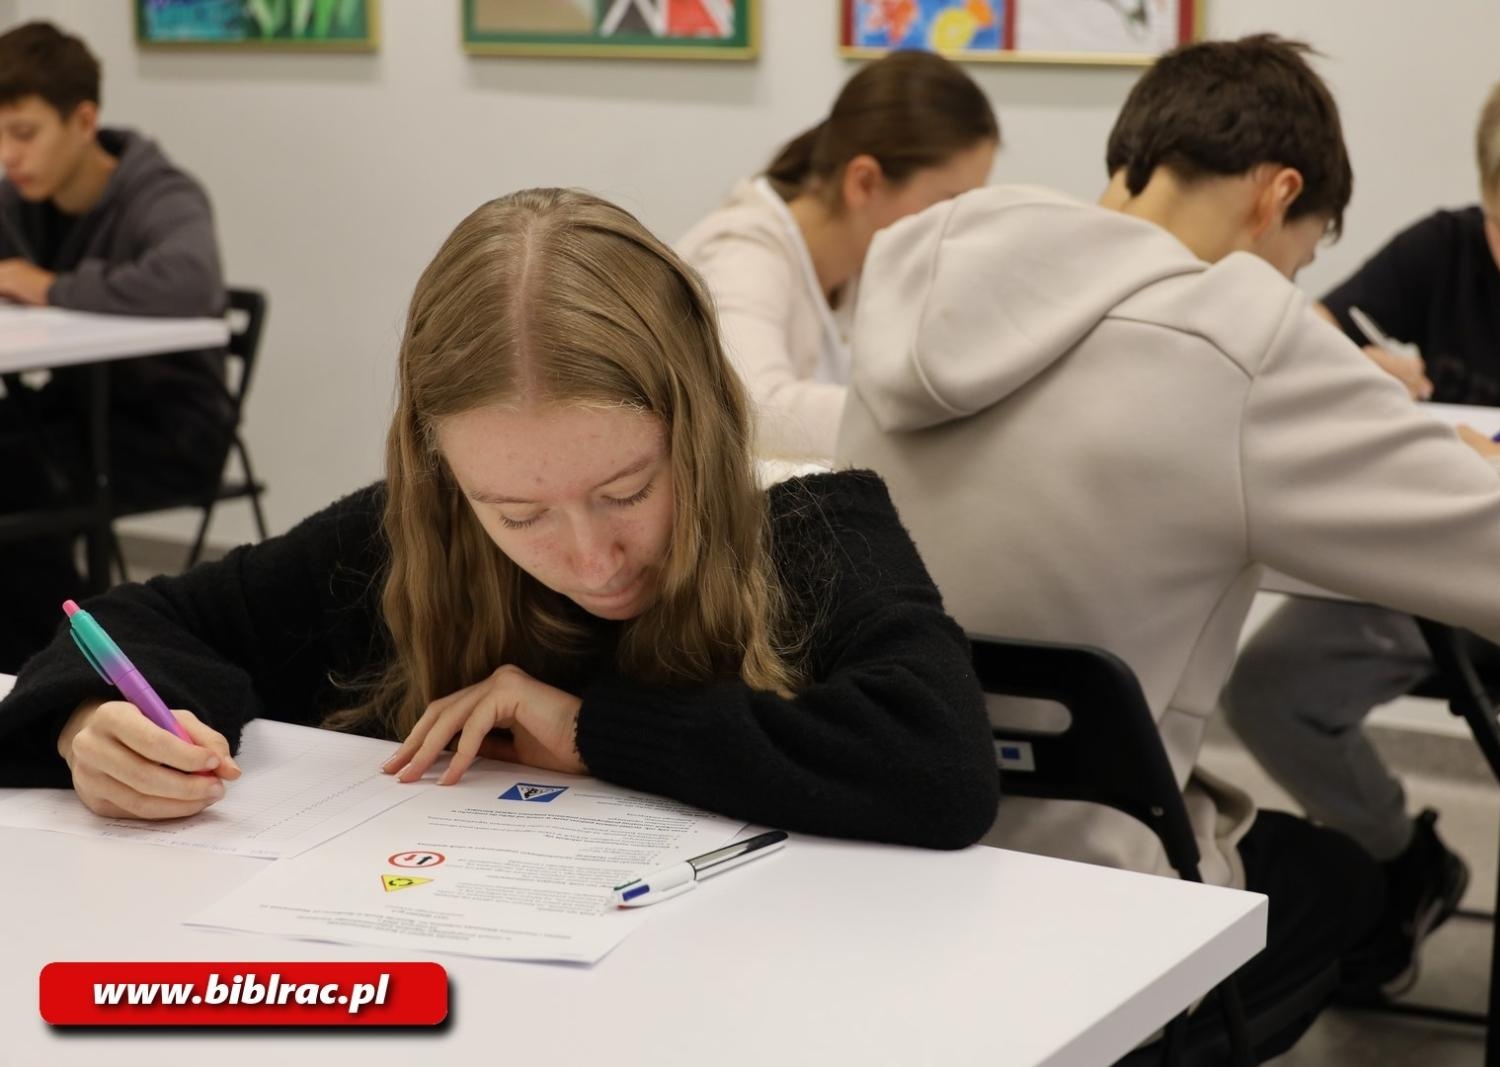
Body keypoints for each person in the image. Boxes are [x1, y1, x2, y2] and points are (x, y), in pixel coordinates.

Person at [834, 35, 1500, 1059]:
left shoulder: (919, 275)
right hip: (1102, 889)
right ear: (1276, 196)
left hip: (877, 841)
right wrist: (1482, 464)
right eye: (1304, 254)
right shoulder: (1237, 337)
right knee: (1340, 881)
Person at [0, 188, 1000, 856]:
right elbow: (141, 622)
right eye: (517, 512)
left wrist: (593, 731)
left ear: (696, 427)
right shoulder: (410, 536)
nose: (590, 558)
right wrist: (91, 723)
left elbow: (941, 764)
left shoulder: (813, 526)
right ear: (445, 473)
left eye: (626, 491)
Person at [1223, 66, 1500, 1030]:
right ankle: (1403, 859)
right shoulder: (1447, 247)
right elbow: (1300, 331)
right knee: (1268, 687)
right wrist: (1351, 365)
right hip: (1438, 587)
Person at [0, 20, 230, 673]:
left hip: (168, 430)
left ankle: (57, 667)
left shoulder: (158, 193)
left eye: (24, 133)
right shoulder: (17, 200)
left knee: (12, 478)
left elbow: (191, 279)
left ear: (83, 120)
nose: (9, 155)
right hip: (70, 412)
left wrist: (48, 286)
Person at [677, 49, 998, 461]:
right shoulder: (741, 251)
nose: (957, 223)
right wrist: (939, 418)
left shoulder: (864, 265)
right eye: (949, 201)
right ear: (863, 182)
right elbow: (756, 411)